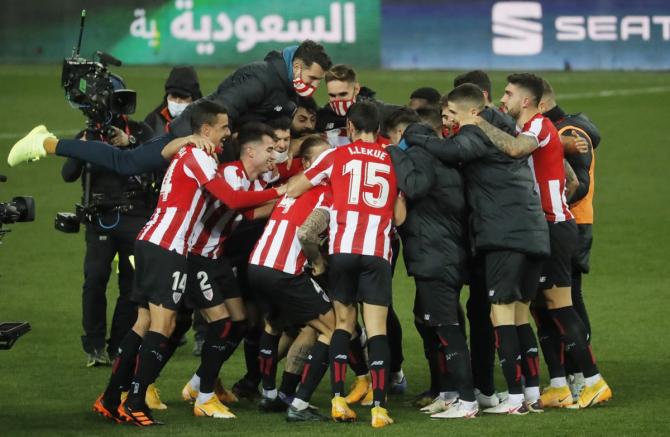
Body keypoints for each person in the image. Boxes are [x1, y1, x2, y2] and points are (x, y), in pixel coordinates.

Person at [106, 101, 284, 427]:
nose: (227, 133)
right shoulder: (206, 160)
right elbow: (232, 201)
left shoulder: (196, 154)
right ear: (206, 130)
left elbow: (166, 154)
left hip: (159, 242)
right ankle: (139, 399)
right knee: (166, 327)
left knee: (146, 323)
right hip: (175, 248)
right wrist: (283, 193)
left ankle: (112, 398)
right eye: (223, 127)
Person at [405, 84, 551, 415]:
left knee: (500, 314)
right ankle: (530, 393)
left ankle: (514, 399)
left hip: (504, 235)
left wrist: (416, 135)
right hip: (532, 231)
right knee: (519, 314)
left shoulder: (474, 133)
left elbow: (450, 152)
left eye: (452, 115)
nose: (449, 122)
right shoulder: (501, 126)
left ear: (472, 112)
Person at [473, 73, 612, 409]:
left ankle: (593, 380)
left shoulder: (536, 126)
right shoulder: (536, 130)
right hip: (551, 223)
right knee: (540, 308)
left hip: (552, 226)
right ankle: (560, 385)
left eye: (507, 94)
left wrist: (479, 123)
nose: (503, 99)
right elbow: (572, 181)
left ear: (526, 100)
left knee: (558, 306)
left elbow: (517, 149)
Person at [8, 40, 332, 176]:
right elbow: (222, 111)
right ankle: (46, 143)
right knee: (127, 163)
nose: (313, 86)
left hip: (208, 141)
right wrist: (202, 141)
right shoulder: (262, 78)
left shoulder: (284, 88)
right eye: (313, 77)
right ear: (298, 66)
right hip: (192, 134)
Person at [287, 101, 406, 428]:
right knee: (376, 327)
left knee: (343, 323)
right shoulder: (394, 157)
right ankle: (380, 408)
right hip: (377, 251)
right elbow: (399, 217)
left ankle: (338, 399)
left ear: (350, 128)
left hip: (342, 250)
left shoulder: (336, 155)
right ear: (378, 129)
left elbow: (296, 187)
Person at [385, 108, 476, 419]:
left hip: (436, 256)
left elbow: (413, 187)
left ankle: (466, 401)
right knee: (433, 325)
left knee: (446, 330)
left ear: (401, 134)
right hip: (442, 253)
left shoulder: (422, 158)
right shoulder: (443, 162)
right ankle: (450, 394)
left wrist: (394, 154)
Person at [247, 135, 336, 420]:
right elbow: (306, 233)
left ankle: (271, 395)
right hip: (284, 271)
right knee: (333, 328)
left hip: (258, 265)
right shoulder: (324, 191)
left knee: (273, 326)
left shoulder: (290, 189)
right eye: (323, 159)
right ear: (309, 163)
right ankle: (299, 404)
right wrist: (318, 261)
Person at [61, 112, 154, 367]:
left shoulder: (140, 131)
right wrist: (81, 147)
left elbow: (157, 163)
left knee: (132, 284)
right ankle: (94, 346)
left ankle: (119, 346)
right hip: (99, 219)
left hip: (135, 218)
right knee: (95, 279)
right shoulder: (88, 134)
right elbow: (67, 173)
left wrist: (131, 143)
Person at [538, 79, 601, 399]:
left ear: (540, 104)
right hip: (569, 222)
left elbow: (578, 183)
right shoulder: (563, 132)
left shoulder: (569, 133)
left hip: (571, 223)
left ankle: (582, 376)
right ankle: (570, 377)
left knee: (569, 298)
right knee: (557, 300)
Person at [144, 66, 202, 136]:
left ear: (194, 98)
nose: (177, 102)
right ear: (167, 96)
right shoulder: (153, 120)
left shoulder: (207, 122)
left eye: (183, 97)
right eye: (173, 96)